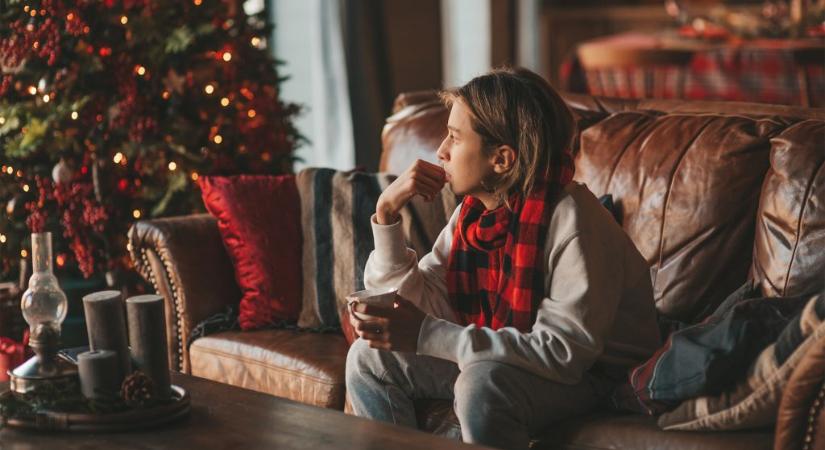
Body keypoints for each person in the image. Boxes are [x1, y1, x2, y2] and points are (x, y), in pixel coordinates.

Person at [345, 67, 661, 450]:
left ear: (503, 160)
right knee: (368, 358)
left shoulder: (573, 221)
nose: (441, 150)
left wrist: (428, 334)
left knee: (482, 382)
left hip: (596, 376)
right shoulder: (473, 215)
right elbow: (419, 302)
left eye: (455, 138)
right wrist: (387, 216)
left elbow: (563, 352)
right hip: (520, 358)